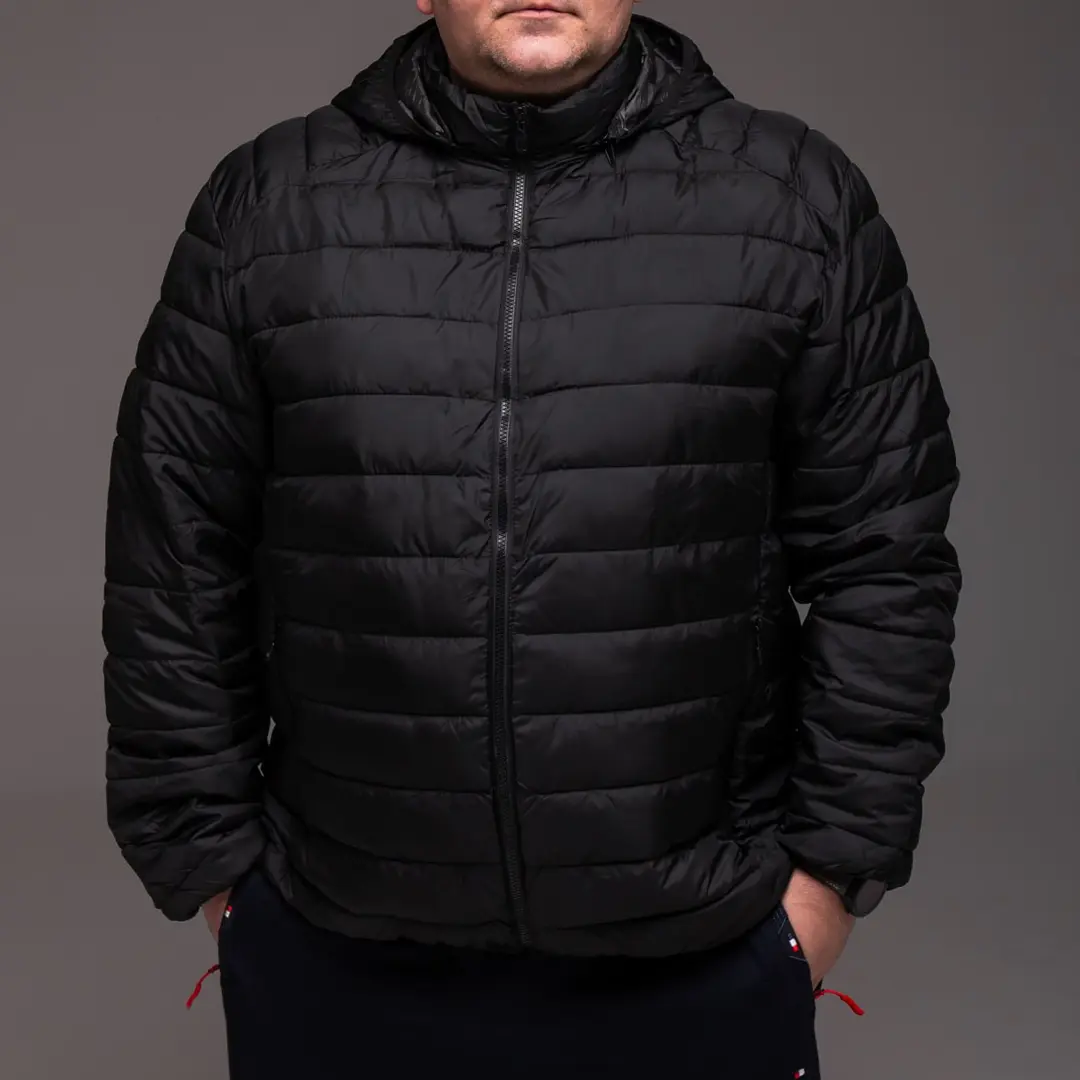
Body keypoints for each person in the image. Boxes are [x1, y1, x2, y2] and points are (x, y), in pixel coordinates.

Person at [101, 2, 962, 1077]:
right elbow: (172, 556)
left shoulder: (792, 199)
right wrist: (216, 871)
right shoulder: (270, 203)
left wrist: (826, 881)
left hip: (707, 945)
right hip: (336, 947)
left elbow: (885, 560)